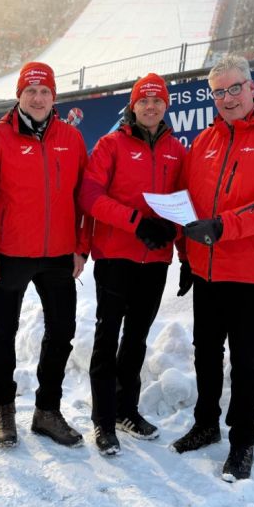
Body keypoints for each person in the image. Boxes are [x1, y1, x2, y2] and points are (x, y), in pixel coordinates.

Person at [173, 54, 254, 482]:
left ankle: (242, 443)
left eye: (234, 88)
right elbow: (189, 204)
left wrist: (223, 227)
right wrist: (185, 254)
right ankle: (206, 424)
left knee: (246, 360)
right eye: (219, 92)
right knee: (205, 352)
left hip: (251, 270)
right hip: (207, 269)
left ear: (252, 87)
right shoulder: (204, 141)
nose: (228, 98)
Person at [0, 61, 90, 449]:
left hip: (58, 255)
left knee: (62, 332)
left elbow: (83, 199)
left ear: (54, 96)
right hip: (10, 254)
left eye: (44, 91)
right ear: (19, 95)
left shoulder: (71, 138)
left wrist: (81, 247)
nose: (38, 98)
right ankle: (4, 409)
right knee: (4, 331)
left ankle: (47, 411)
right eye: (30, 91)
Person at [78, 73, 185, 456]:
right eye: (144, 100)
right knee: (107, 338)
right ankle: (103, 420)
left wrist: (178, 241)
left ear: (165, 106)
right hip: (115, 257)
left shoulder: (177, 151)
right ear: (133, 105)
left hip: (155, 260)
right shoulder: (111, 145)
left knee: (137, 339)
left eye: (157, 101)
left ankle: (126, 410)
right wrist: (136, 222)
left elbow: (187, 202)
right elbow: (90, 196)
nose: (150, 107)